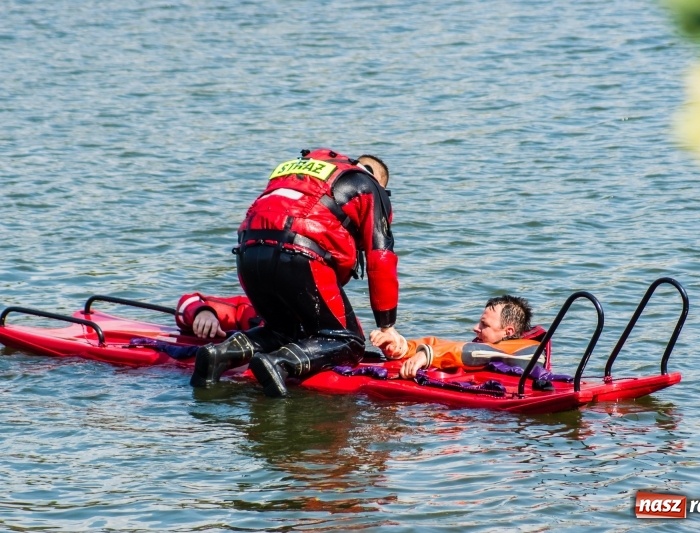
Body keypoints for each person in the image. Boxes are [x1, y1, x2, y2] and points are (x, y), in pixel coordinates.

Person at [189, 148, 403, 397]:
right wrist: (387, 326)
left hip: (248, 251)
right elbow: (381, 258)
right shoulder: (368, 185)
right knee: (349, 341)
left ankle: (220, 355)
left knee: (284, 331)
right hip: (301, 253)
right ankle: (280, 363)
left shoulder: (305, 172)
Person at [369, 295, 546, 379]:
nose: (476, 328)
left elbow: (472, 352)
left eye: (484, 325)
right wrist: (401, 347)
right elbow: (444, 344)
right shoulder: (494, 345)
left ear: (508, 331)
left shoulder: (529, 351)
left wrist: (427, 356)